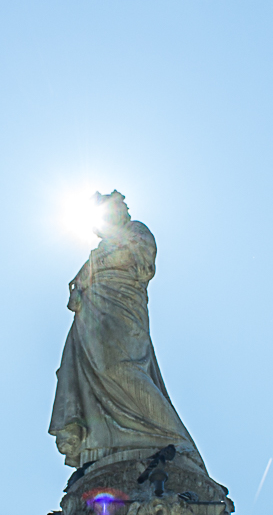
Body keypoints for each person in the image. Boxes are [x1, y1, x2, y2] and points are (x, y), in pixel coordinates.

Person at [49, 191, 203, 470]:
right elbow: (79, 287)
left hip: (122, 305)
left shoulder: (136, 231)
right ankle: (105, 443)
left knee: (119, 368)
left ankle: (177, 440)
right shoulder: (99, 249)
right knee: (95, 372)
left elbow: (141, 263)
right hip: (92, 316)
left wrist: (93, 270)